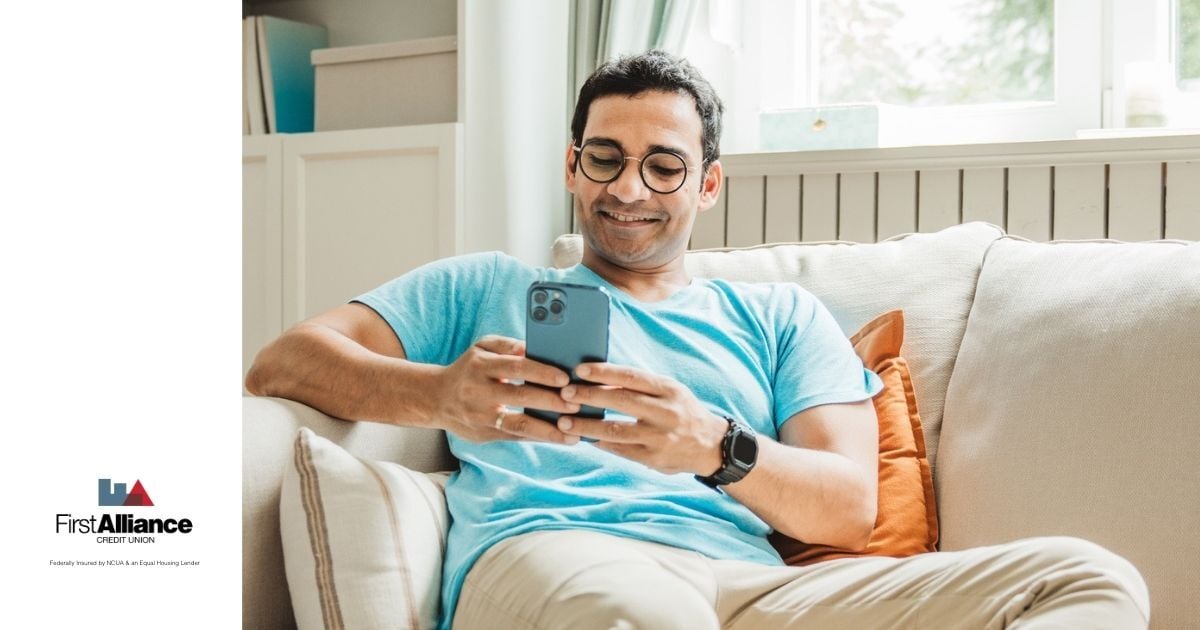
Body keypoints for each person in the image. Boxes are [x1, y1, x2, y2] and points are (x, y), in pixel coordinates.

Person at [246, 50, 1149, 629]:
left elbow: (846, 508)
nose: (627, 187)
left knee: (1086, 580)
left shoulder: (780, 319)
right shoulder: (485, 286)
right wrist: (437, 395)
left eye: (663, 165)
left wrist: (715, 448)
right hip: (560, 562)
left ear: (708, 184)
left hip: (748, 586)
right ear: (571, 165)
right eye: (604, 157)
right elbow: (283, 360)